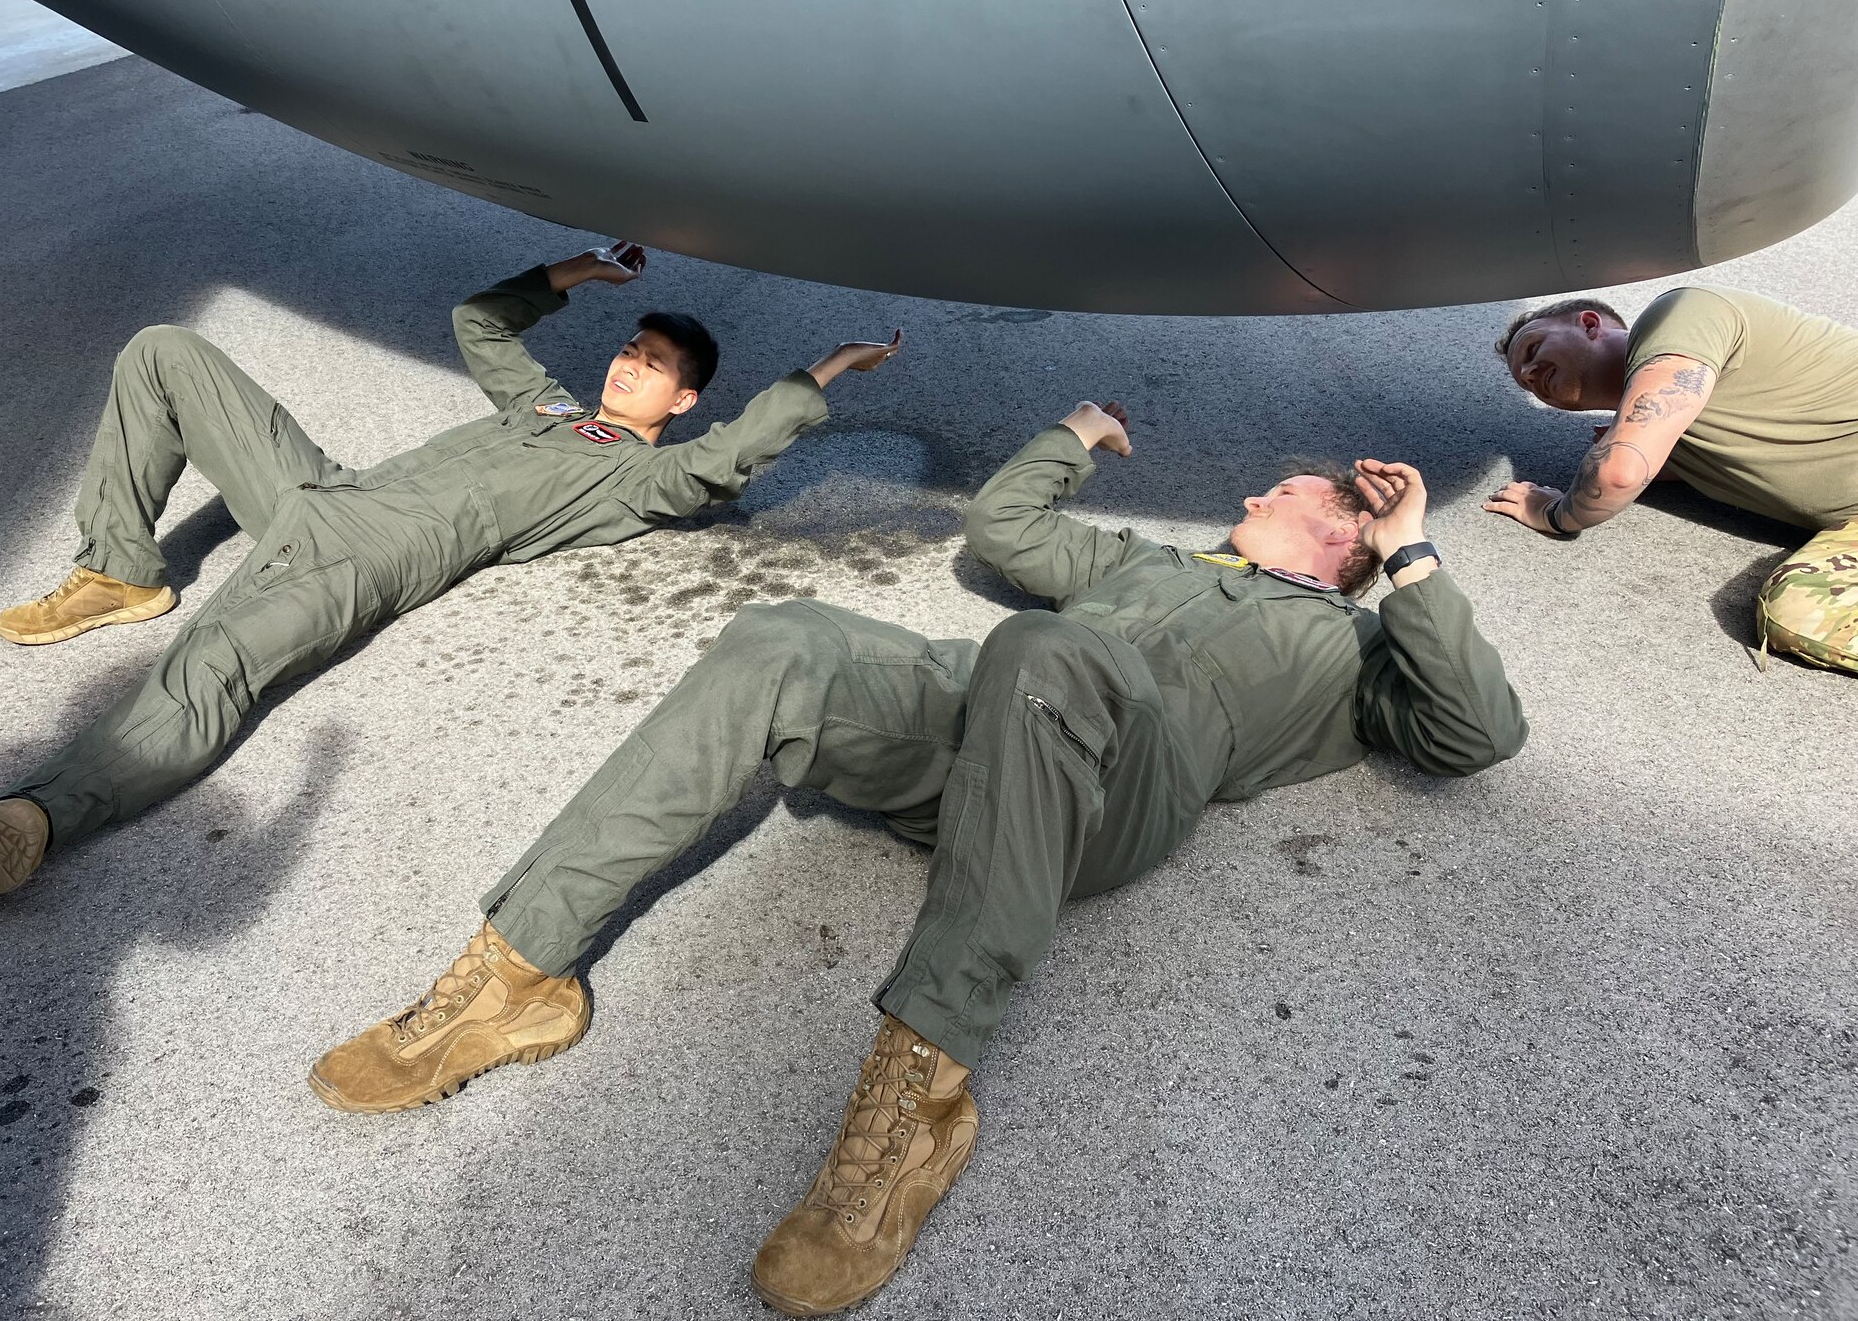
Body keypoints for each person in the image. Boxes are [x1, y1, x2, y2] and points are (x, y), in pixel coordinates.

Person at [308, 400, 1527, 1316]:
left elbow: (1477, 734)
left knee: (1048, 653)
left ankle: (915, 1106)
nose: (1260, 488)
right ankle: (519, 974)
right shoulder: (1145, 564)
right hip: (967, 723)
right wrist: (1071, 433)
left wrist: (1413, 548)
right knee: (779, 636)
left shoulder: (1350, 651)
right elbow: (1003, 528)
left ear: (1338, 534)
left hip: (1119, 784)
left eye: (1287, 488)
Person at [0, 242, 902, 913]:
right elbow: (480, 324)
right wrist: (577, 271)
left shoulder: (639, 476)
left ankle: (41, 815)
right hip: (320, 494)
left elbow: (718, 466)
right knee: (166, 350)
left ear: (681, 400)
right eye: (626, 348)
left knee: (212, 668)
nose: (624, 365)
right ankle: (120, 568)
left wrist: (821, 372)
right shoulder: (553, 412)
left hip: (372, 554)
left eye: (649, 366)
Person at [1485, 286, 1858, 672]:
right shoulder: (1675, 434)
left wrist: (1552, 513)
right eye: (1525, 383)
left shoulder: (1681, 314)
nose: (1530, 375)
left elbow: (1618, 473)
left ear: (1590, 324)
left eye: (1533, 349)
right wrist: (1672, 460)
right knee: (1801, 613)